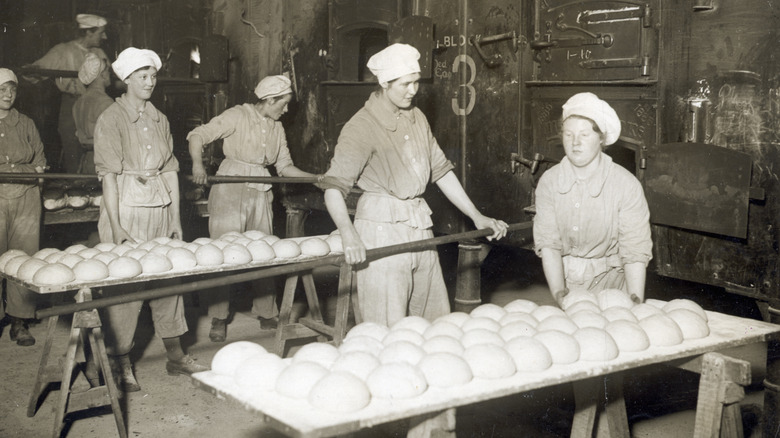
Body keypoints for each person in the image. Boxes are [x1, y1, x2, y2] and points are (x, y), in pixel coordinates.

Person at [318, 44, 508, 327]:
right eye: (406, 84)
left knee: (433, 318)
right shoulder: (362, 126)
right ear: (384, 83)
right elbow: (333, 188)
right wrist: (349, 234)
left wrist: (476, 215)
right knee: (386, 325)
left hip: (419, 224)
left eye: (416, 82)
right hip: (381, 228)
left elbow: (442, 172)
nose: (414, 90)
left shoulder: (417, 118)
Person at [93, 47, 207, 392]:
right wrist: (116, 227)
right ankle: (120, 361)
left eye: (153, 75)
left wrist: (176, 219)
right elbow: (109, 178)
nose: (149, 82)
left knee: (168, 281)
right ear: (125, 80)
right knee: (126, 289)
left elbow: (171, 171)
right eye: (142, 76)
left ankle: (175, 355)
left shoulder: (159, 118)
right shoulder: (110, 119)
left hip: (159, 206)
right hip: (125, 208)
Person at [187, 75, 317, 342]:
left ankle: (266, 311)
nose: (287, 109)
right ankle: (219, 316)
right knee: (224, 255)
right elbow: (198, 135)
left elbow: (284, 167)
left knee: (264, 252)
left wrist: (316, 178)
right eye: (284, 103)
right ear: (269, 100)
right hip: (229, 189)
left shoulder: (276, 129)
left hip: (261, 190)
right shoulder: (237, 116)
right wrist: (197, 165)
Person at [532, 92, 652, 308]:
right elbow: (549, 244)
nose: (575, 143)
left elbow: (634, 250)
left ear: (601, 138)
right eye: (568, 135)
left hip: (614, 289)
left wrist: (635, 301)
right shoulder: (549, 182)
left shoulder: (626, 185)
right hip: (567, 287)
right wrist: (559, 294)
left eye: (585, 135)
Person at [0, 68, 47, 347]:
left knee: (23, 259)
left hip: (27, 198)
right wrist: (27, 169)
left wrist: (21, 171)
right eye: (2, 89)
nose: (8, 94)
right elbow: (34, 167)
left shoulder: (26, 123)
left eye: (12, 89)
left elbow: (41, 162)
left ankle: (19, 322)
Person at [29, 13, 109, 173]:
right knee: (72, 148)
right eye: (101, 33)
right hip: (71, 104)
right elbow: (34, 72)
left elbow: (111, 78)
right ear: (88, 32)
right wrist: (27, 70)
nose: (105, 37)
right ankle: (76, 192)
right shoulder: (63, 51)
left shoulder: (100, 54)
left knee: (101, 146)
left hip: (97, 104)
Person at [72, 53, 113, 174]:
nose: (109, 74)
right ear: (102, 75)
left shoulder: (78, 103)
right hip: (104, 162)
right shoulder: (105, 102)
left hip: (86, 161)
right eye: (107, 71)